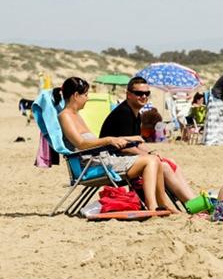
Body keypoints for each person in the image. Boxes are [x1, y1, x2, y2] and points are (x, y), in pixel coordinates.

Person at [55, 77, 178, 212]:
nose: (87, 98)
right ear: (75, 95)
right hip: (91, 165)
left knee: (154, 160)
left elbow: (91, 142)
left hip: (101, 159)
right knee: (151, 161)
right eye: (85, 95)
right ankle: (152, 206)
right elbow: (81, 143)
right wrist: (109, 140)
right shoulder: (65, 116)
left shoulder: (76, 115)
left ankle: (162, 205)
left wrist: (127, 138)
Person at [100, 77, 197, 203]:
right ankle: (190, 203)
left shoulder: (136, 114)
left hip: (123, 158)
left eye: (147, 93)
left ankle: (194, 199)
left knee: (169, 161)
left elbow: (137, 143)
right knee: (164, 166)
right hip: (111, 161)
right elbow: (126, 147)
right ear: (128, 95)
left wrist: (152, 152)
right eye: (139, 93)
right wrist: (149, 156)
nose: (144, 96)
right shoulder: (124, 113)